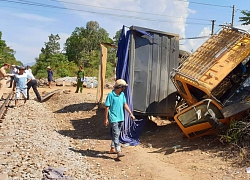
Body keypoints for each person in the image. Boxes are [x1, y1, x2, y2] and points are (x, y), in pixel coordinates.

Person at [104, 79, 135, 158]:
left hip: (121, 117)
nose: (124, 89)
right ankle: (118, 151)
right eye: (123, 87)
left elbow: (125, 105)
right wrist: (106, 119)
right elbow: (107, 107)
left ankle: (112, 148)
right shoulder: (110, 95)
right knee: (116, 133)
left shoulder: (122, 95)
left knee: (116, 134)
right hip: (113, 118)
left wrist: (131, 114)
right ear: (119, 87)